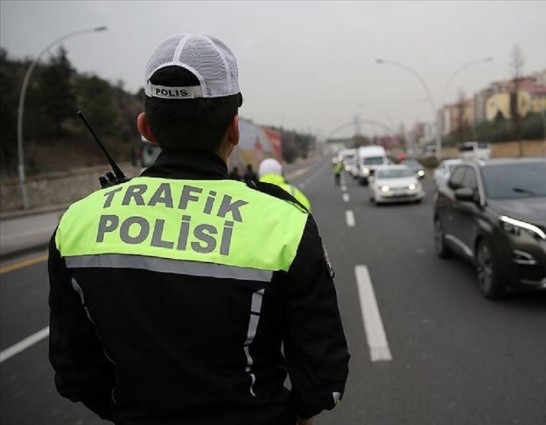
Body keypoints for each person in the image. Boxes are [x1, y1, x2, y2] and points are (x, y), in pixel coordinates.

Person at [48, 33, 349, 425]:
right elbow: (323, 380)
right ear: (234, 128)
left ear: (146, 127)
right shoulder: (284, 223)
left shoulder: (77, 223)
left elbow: (75, 373)